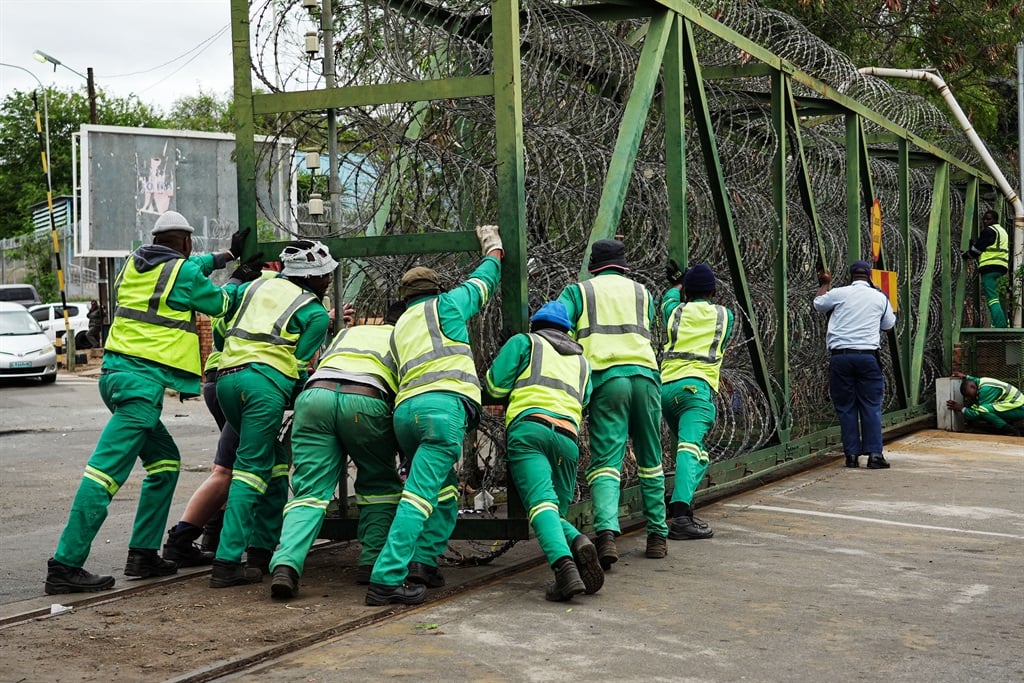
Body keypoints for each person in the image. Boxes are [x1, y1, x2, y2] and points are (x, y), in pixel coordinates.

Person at [44, 211, 255, 595]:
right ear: (186, 242)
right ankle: (65, 564)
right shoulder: (185, 273)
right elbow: (221, 304)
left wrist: (225, 256)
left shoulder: (133, 265)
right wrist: (240, 278)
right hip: (140, 387)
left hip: (115, 379)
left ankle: (143, 555)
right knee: (103, 475)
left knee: (165, 463)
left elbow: (187, 268)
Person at [364, 224, 503, 606]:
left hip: (406, 414)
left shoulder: (398, 327)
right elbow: (484, 282)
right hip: (442, 408)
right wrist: (493, 249)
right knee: (420, 496)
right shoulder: (447, 305)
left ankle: (423, 563)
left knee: (443, 492)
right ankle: (387, 577)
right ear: (437, 288)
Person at [211, 240, 335, 588]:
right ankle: (226, 561)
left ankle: (261, 551)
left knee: (274, 461)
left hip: (226, 380)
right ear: (309, 276)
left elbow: (220, 334)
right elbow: (298, 370)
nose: (327, 282)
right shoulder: (314, 313)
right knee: (250, 470)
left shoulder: (257, 284)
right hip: (264, 386)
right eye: (324, 276)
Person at [269, 302, 407, 599]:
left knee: (310, 490)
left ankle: (286, 563)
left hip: (315, 397)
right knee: (379, 483)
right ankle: (371, 562)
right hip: (366, 400)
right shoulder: (406, 338)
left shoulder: (351, 333)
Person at [557, 238, 669, 569]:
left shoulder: (579, 292)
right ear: (623, 265)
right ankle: (657, 535)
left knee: (607, 460)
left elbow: (554, 325)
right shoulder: (643, 293)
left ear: (594, 266)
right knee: (651, 458)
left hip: (607, 380)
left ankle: (606, 534)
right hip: (646, 377)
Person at [484, 301, 602, 601]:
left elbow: (495, 387)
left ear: (535, 324)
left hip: (530, 430)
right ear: (567, 330)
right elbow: (584, 399)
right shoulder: (582, 362)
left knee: (540, 505)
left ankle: (565, 571)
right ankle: (577, 540)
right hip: (567, 438)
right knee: (553, 511)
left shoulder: (525, 342)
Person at [660, 262, 734, 540]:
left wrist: (678, 285)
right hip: (696, 391)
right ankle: (680, 515)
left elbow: (667, 299)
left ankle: (680, 493)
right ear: (714, 291)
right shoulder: (725, 316)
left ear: (687, 292)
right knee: (690, 450)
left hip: (666, 390)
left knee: (694, 451)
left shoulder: (674, 311)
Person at [813, 260, 897, 469]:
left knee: (846, 407)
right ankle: (875, 455)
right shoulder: (879, 297)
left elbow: (818, 304)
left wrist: (824, 283)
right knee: (870, 406)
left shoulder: (838, 293)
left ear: (851, 276)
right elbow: (888, 326)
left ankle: (851, 455)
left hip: (840, 357)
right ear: (869, 276)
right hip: (867, 357)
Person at [962, 210, 1008, 328]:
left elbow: (978, 249)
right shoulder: (1002, 232)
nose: (985, 221)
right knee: (998, 298)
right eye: (984, 219)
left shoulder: (989, 231)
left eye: (988, 219)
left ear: (995, 220)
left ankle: (1000, 325)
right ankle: (1002, 323)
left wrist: (967, 255)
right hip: (1001, 267)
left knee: (992, 298)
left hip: (989, 267)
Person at [947, 374, 1024, 436]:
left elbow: (977, 413)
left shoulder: (985, 390)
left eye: (968, 395)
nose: (968, 398)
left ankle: (1011, 430)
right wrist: (966, 376)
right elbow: (975, 380)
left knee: (983, 411)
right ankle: (1003, 427)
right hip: (1014, 405)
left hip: (1019, 409)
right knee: (981, 408)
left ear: (973, 387)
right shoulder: (981, 381)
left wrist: (961, 408)